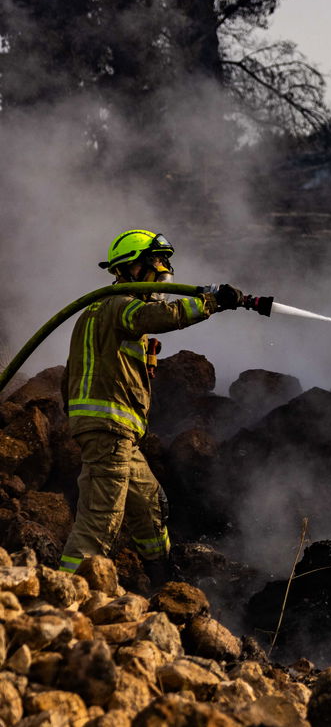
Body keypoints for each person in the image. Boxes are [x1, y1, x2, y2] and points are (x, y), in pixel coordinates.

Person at [58, 229, 248, 582]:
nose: (164, 270)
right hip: (109, 431)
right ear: (131, 267)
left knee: (149, 504)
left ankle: (162, 580)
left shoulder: (102, 313)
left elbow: (68, 378)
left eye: (165, 262)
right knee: (101, 520)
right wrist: (212, 302)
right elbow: (160, 316)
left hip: (118, 434)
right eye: (156, 262)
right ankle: (64, 597)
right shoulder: (119, 306)